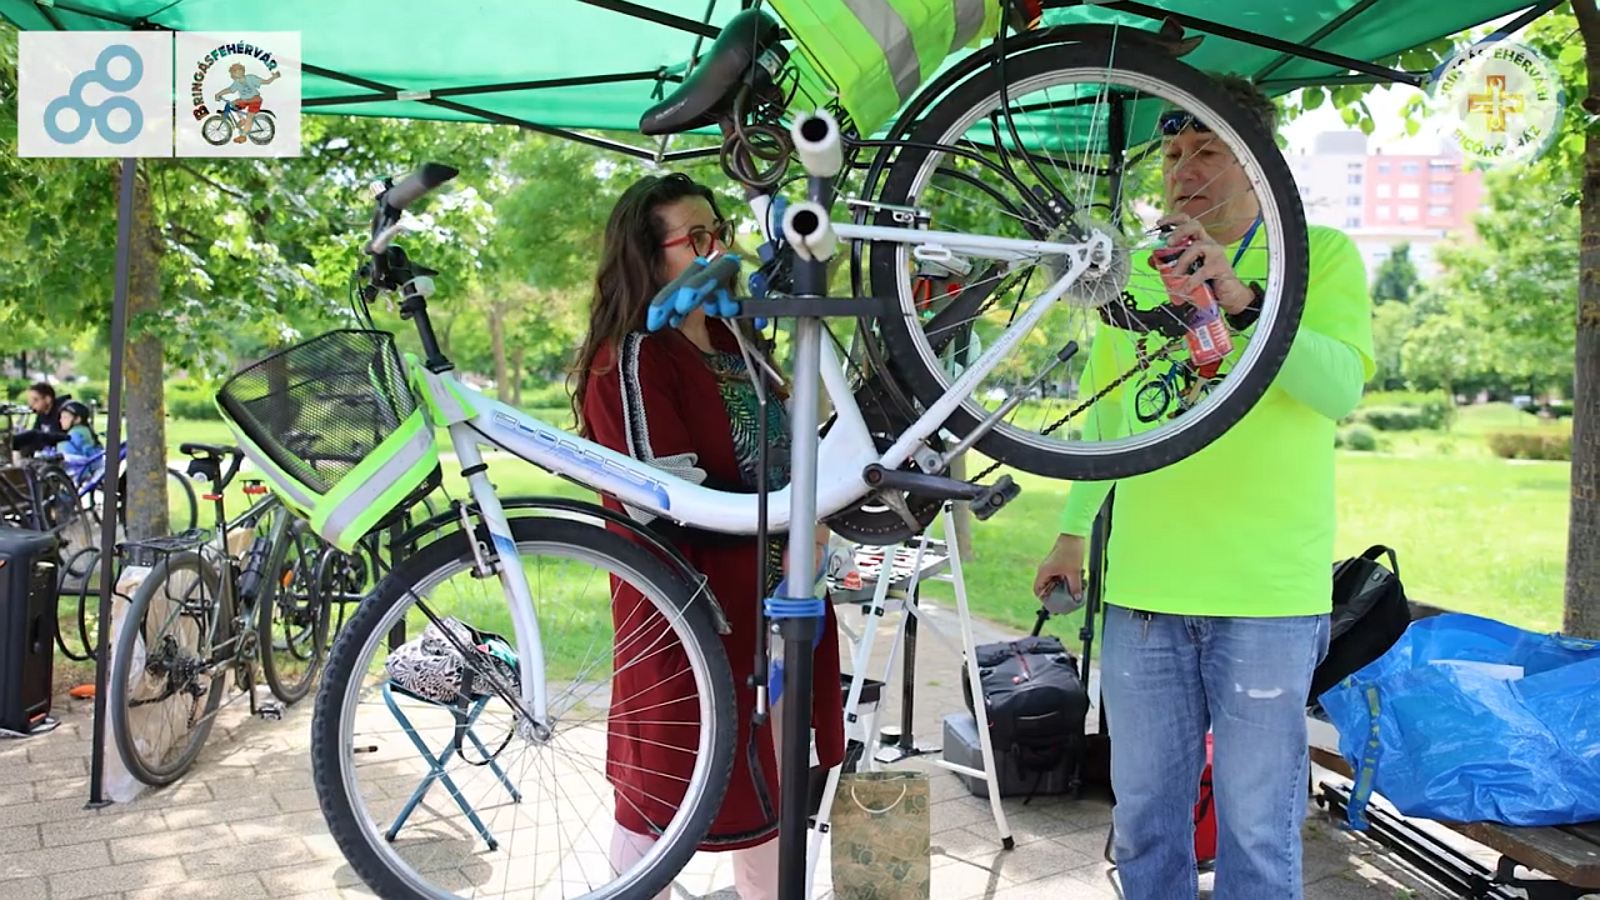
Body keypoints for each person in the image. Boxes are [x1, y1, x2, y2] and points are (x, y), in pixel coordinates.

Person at [1032, 77, 1374, 899]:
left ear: (1258, 162)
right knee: (1147, 814)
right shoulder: (1135, 276)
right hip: (1147, 593)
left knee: (1258, 826)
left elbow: (1338, 390)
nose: (1183, 168)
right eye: (1173, 151)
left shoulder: (1317, 255)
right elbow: (1111, 420)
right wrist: (1075, 530)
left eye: (1208, 150)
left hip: (1266, 598)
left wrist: (1246, 299)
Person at [572, 172, 845, 899]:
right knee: (664, 788)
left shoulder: (736, 338)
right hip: (691, 617)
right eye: (694, 237)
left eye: (717, 229)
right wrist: (790, 514)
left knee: (774, 791)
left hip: (780, 604)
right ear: (647, 256)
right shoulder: (629, 357)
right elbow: (663, 500)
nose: (716, 246)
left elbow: (788, 454)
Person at [215, 62, 281, 143]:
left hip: (255, 100)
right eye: (235, 71)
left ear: (243, 71)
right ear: (233, 74)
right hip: (245, 100)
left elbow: (266, 82)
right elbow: (229, 90)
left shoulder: (250, 78)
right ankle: (242, 120)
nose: (238, 72)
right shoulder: (237, 82)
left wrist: (274, 77)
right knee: (232, 104)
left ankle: (243, 136)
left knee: (250, 117)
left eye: (239, 70)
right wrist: (219, 94)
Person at [13, 381, 71, 457]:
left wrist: (39, 436)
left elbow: (66, 436)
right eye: (30, 401)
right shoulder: (41, 413)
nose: (31, 404)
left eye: (35, 400)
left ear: (48, 399)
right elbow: (37, 431)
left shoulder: (62, 412)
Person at [57, 400, 103, 484]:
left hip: (79, 472)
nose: (61, 420)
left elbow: (71, 453)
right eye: (61, 417)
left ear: (77, 419)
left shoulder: (76, 433)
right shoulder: (85, 430)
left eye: (65, 417)